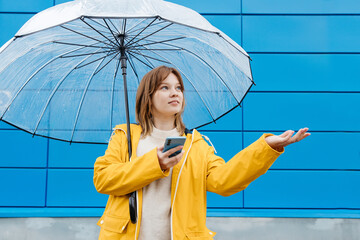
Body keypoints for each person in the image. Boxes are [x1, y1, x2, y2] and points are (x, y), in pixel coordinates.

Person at [93, 65, 310, 240]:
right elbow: (103, 179)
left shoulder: (195, 144)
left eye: (178, 88)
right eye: (164, 88)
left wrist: (267, 147)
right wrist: (155, 164)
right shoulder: (125, 137)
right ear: (148, 97)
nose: (174, 93)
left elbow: (224, 182)